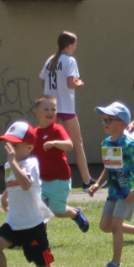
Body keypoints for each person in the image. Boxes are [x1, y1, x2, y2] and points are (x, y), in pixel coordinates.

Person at [0, 121, 88, 267]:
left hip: (33, 227)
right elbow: (13, 182)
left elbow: (25, 183)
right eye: (8, 144)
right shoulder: (9, 165)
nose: (10, 148)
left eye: (15, 145)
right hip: (14, 223)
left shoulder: (31, 163)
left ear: (29, 147)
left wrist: (13, 163)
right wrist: (5, 195)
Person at [85, 102, 134, 267]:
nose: (106, 123)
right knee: (105, 226)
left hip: (127, 192)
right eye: (104, 120)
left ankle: (116, 264)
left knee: (115, 226)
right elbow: (109, 167)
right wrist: (97, 184)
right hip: (113, 191)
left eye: (110, 119)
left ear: (123, 123)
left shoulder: (128, 144)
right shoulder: (106, 143)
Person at [30, 97, 90, 232]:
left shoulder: (57, 129)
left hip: (59, 179)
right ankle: (42, 239)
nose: (50, 112)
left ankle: (75, 213)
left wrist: (55, 143)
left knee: (57, 211)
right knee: (40, 209)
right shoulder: (34, 133)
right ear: (37, 113)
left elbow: (69, 145)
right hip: (41, 180)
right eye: (46, 109)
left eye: (53, 109)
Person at [41, 31, 92, 187]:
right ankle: (86, 180)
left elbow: (43, 82)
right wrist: (80, 83)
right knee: (77, 143)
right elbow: (71, 84)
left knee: (50, 143)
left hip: (51, 108)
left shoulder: (50, 60)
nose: (75, 47)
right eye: (75, 44)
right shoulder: (70, 60)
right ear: (69, 45)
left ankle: (47, 178)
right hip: (66, 108)